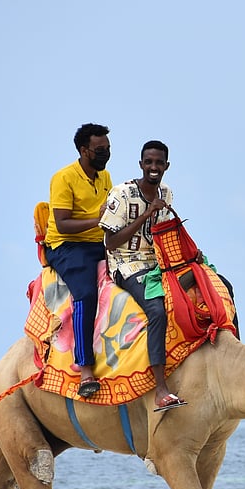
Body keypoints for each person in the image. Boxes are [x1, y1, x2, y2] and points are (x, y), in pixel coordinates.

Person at [99, 140, 186, 412]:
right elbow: (110, 243)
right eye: (149, 162)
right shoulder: (122, 194)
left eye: (159, 163)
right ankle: (160, 388)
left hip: (157, 262)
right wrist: (146, 213)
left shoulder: (167, 193)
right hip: (127, 264)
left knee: (209, 284)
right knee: (157, 310)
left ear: (166, 166)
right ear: (141, 164)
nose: (153, 167)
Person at [44, 123, 113, 398]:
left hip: (98, 243)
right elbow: (62, 225)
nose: (106, 154)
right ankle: (85, 368)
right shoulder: (63, 178)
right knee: (86, 293)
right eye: (100, 150)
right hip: (67, 246)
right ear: (84, 151)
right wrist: (99, 221)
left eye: (108, 149)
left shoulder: (104, 176)